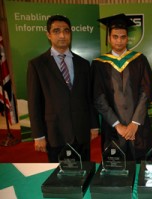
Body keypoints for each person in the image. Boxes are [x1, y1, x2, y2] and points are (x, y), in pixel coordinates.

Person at [27, 15, 99, 163]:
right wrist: (38, 135)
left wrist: (93, 125)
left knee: (84, 172)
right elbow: (34, 103)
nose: (62, 35)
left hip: (81, 132)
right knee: (59, 178)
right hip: (55, 133)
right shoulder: (37, 65)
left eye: (66, 31)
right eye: (56, 31)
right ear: (48, 35)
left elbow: (89, 98)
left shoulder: (83, 64)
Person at [91, 13, 152, 162]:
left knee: (142, 170)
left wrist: (134, 123)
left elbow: (146, 91)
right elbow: (98, 97)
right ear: (109, 38)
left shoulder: (139, 60)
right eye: (115, 36)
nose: (119, 41)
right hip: (113, 129)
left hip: (138, 129)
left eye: (123, 37)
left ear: (127, 38)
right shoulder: (99, 64)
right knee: (116, 173)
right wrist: (117, 125)